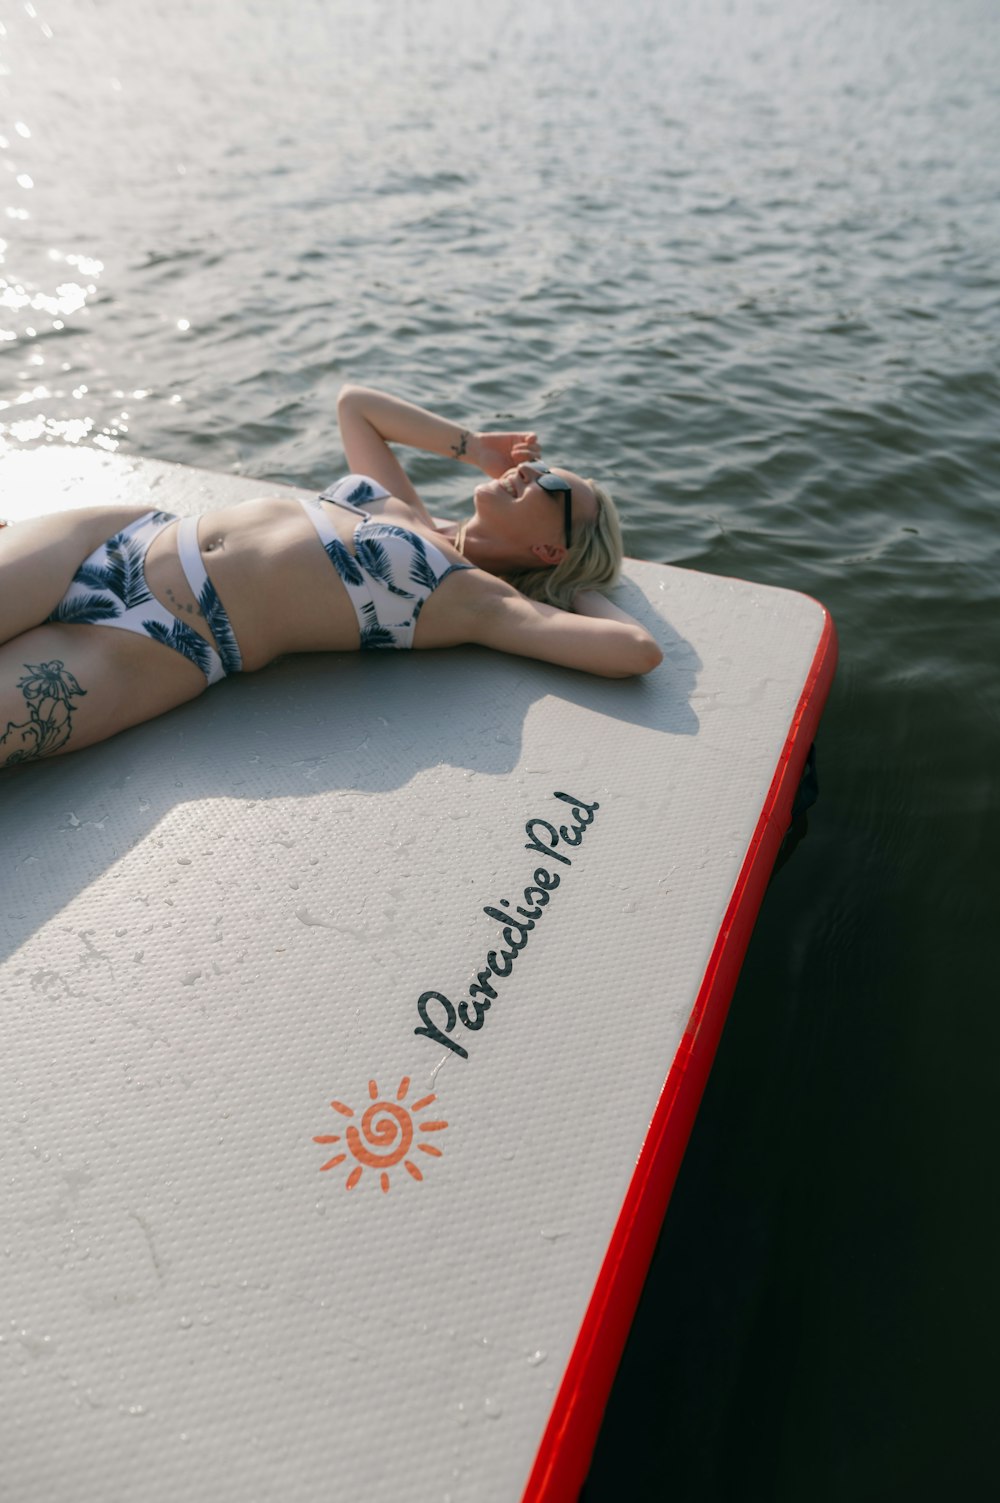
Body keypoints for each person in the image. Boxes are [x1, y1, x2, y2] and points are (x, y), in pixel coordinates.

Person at [0, 385, 661, 769]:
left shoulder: (473, 599)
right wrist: (474, 446)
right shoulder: (400, 506)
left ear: (552, 547)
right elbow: (357, 406)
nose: (530, 469)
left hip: (163, 640)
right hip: (120, 536)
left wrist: (583, 588)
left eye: (552, 484)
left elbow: (636, 652)